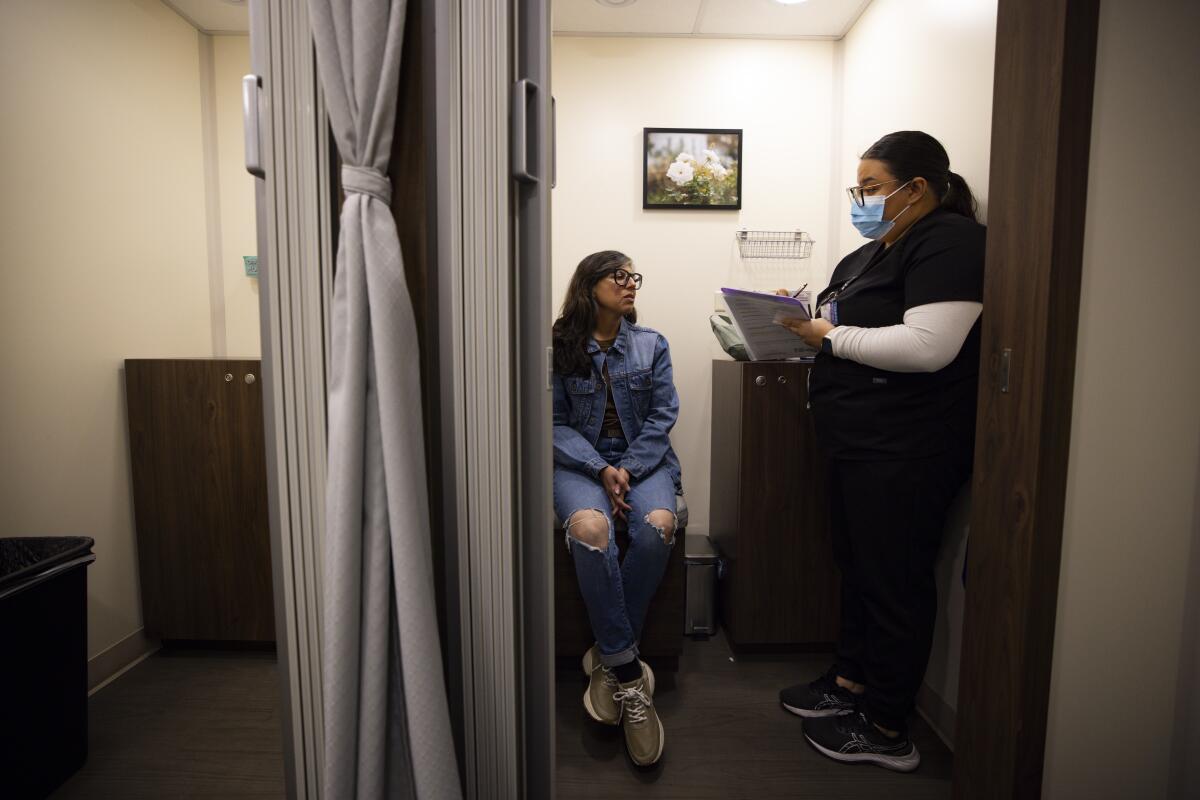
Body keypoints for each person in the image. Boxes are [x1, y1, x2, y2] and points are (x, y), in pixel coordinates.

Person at [775, 131, 985, 772]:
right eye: (859, 188)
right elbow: (842, 322)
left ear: (915, 188)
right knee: (859, 566)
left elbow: (928, 347)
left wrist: (829, 335)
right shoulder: (875, 252)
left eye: (871, 188)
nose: (862, 200)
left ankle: (889, 725)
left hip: (908, 449)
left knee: (894, 579)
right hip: (858, 442)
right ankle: (850, 685)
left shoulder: (950, 242)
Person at [552, 250, 682, 768]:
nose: (631, 284)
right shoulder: (560, 344)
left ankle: (605, 658)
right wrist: (598, 467)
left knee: (658, 525)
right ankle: (630, 675)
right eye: (619, 275)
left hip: (643, 462)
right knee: (589, 528)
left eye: (634, 276)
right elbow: (554, 422)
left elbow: (662, 415)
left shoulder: (651, 345)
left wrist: (626, 466)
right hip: (578, 463)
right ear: (590, 285)